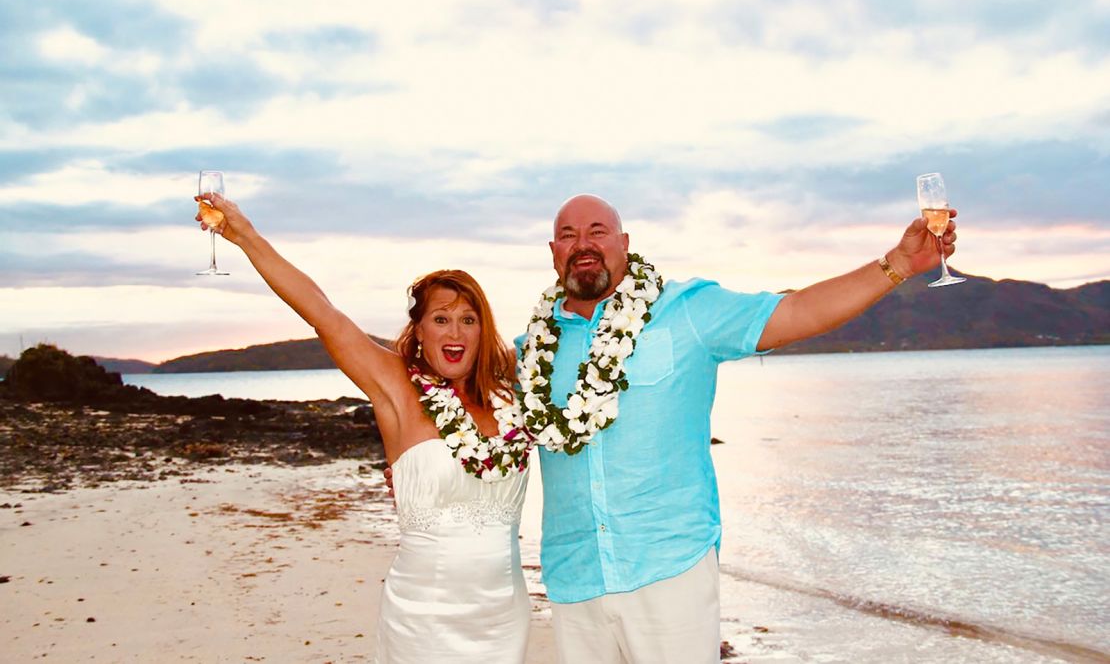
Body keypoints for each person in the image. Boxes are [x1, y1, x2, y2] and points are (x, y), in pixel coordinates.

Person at [515, 193, 960, 664]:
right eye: (569, 236)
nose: (583, 244)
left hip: (670, 573)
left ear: (625, 243)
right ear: (553, 252)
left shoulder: (687, 311)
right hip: (574, 579)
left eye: (597, 232)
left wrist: (898, 264)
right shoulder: (532, 352)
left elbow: (798, 312)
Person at [195, 194, 534, 663]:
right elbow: (322, 312)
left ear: (482, 329)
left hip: (504, 618)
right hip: (425, 619)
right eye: (441, 319)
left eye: (467, 320)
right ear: (419, 330)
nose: (455, 333)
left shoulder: (510, 396)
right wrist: (246, 237)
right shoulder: (395, 387)